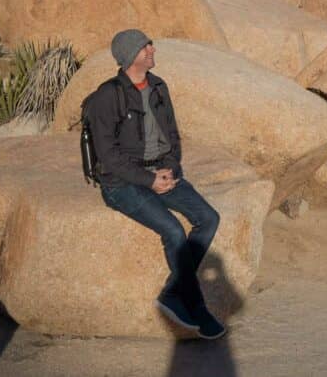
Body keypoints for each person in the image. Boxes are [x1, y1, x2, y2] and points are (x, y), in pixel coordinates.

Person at [85, 29, 226, 339]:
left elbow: (173, 136)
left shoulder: (159, 87)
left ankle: (173, 292)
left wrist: (169, 170)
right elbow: (107, 156)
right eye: (144, 45)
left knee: (209, 219)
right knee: (174, 230)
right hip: (121, 182)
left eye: (149, 43)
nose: (151, 48)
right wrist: (149, 180)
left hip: (162, 172)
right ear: (128, 55)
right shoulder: (108, 96)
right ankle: (195, 305)